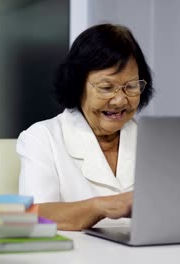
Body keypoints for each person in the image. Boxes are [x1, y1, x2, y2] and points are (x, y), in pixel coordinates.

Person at [17, 23, 154, 231]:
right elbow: (35, 215)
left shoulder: (153, 139)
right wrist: (101, 206)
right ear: (77, 85)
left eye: (131, 86)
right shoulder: (42, 138)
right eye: (107, 87)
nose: (119, 100)